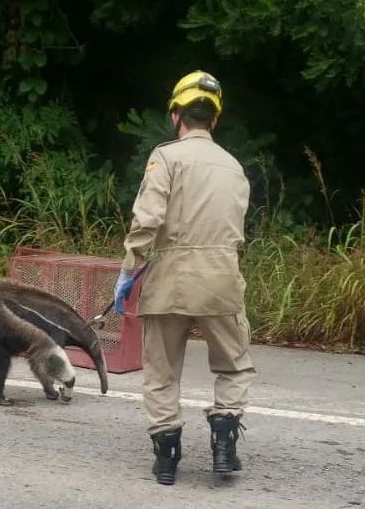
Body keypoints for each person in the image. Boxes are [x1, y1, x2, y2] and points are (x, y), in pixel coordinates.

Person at [113, 70, 257, 486]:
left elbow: (147, 221)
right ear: (214, 119)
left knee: (161, 370)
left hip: (170, 278)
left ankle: (167, 456)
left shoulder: (166, 158)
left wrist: (128, 272)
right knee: (232, 365)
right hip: (222, 279)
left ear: (175, 115)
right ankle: (225, 443)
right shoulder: (233, 166)